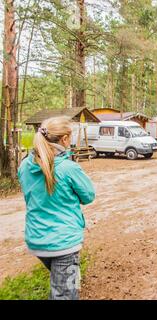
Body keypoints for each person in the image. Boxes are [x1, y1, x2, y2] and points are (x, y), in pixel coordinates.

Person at [18, 116, 95, 300]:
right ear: (65, 139)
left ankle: (70, 283)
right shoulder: (68, 168)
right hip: (64, 244)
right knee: (65, 295)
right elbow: (89, 196)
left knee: (64, 283)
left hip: (37, 240)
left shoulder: (24, 166)